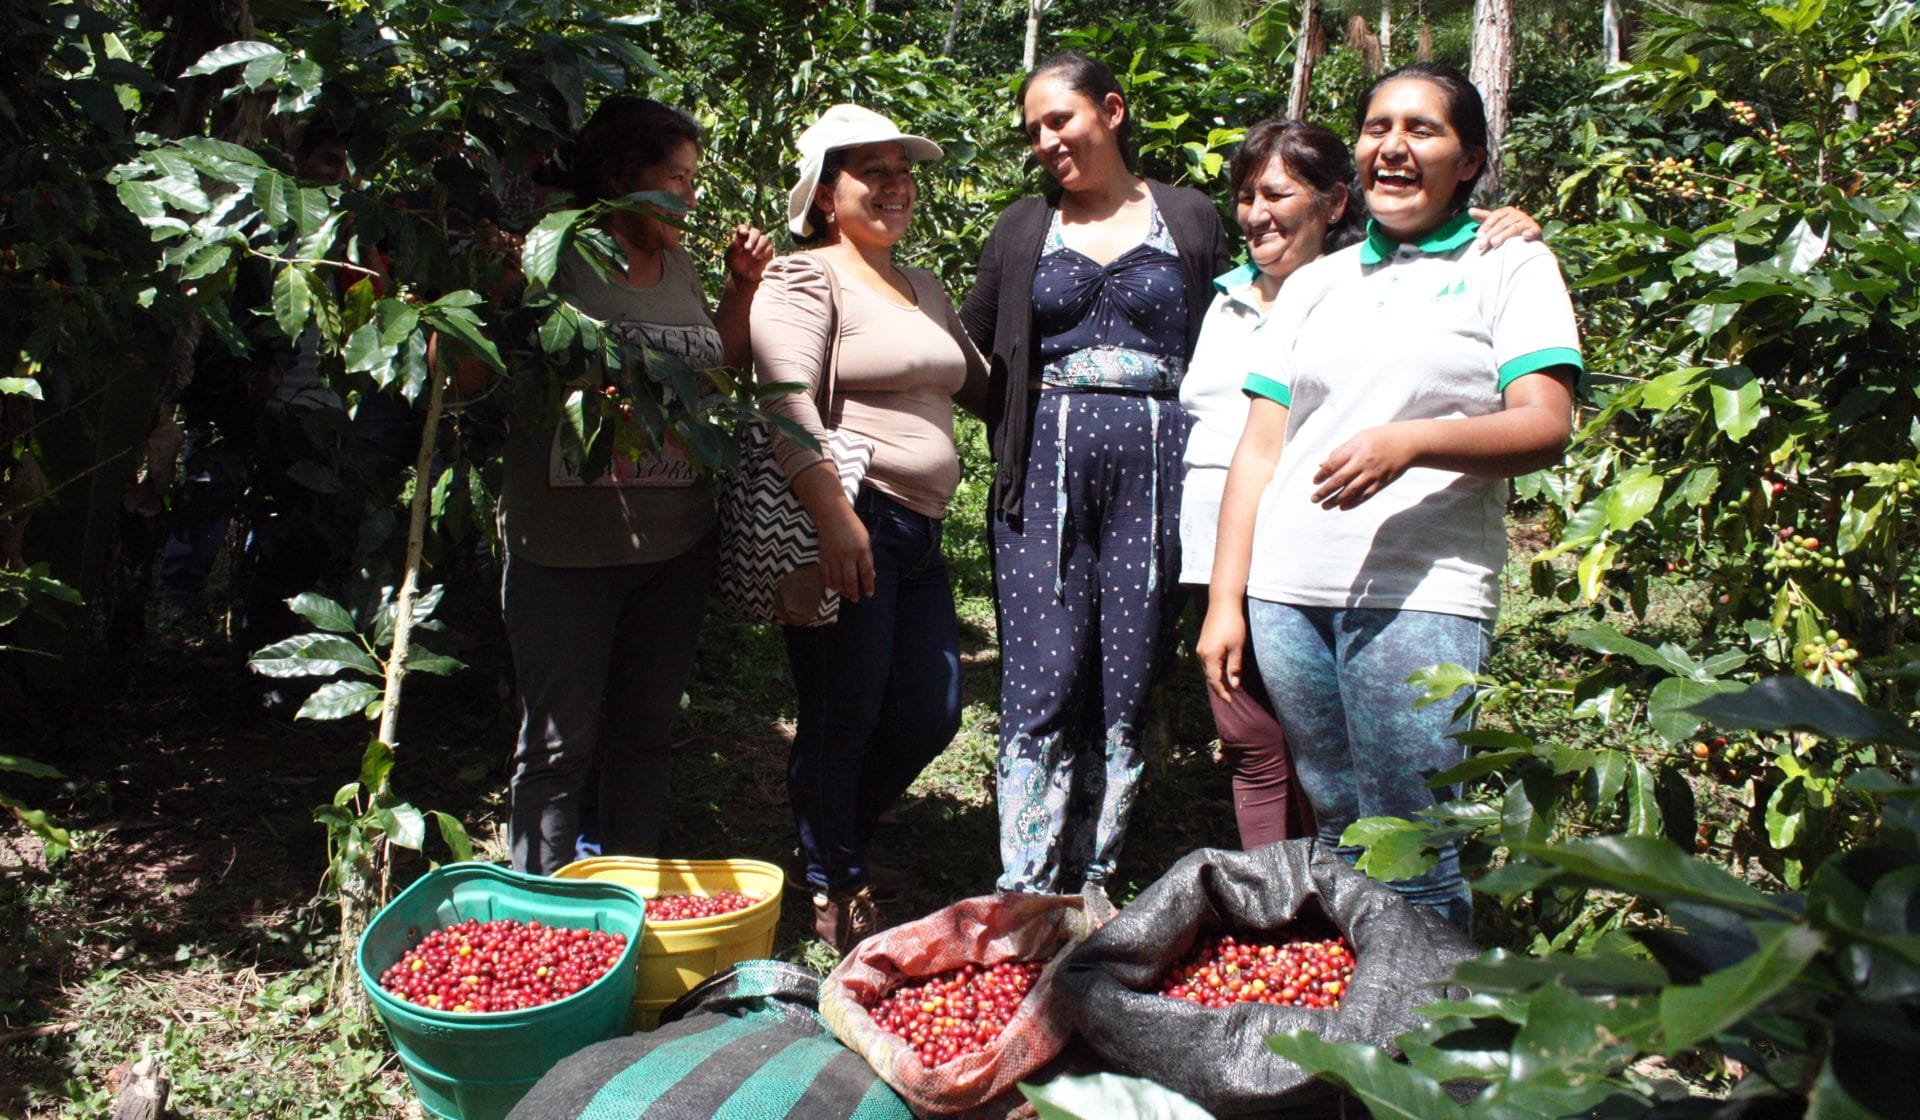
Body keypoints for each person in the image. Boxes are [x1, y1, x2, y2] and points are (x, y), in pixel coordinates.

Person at [1198, 63, 1580, 929]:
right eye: (1377, 129)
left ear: (1471, 158)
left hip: (1421, 591)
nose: (1393, 148)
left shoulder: (1507, 263)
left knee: (1414, 841)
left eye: (1423, 130)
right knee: (1337, 830)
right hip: (1288, 595)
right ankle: (1354, 1042)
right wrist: (1227, 601)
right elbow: (1259, 450)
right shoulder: (1315, 284)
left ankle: (1431, 1051)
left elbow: (1545, 422)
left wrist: (1413, 441)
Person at [960, 52, 1234, 895]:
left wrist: (1484, 226)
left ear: (1111, 111)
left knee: (1127, 668)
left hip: (1157, 474)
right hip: (1042, 470)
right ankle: (1027, 876)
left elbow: (1271, 293)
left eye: (1061, 120)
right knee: (1043, 661)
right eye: (1035, 130)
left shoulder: (1188, 218)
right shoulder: (1021, 229)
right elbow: (968, 352)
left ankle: (1093, 872)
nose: (1046, 141)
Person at [501, 97, 773, 876]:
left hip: (673, 546)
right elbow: (487, 370)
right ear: (622, 178)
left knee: (645, 734)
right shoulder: (556, 258)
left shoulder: (679, 261)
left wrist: (741, 287)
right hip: (566, 553)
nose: (689, 196)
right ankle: (543, 914)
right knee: (558, 746)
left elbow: (713, 364)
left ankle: (628, 902)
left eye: (694, 180)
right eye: (675, 179)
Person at [751, 104, 989, 953]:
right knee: (844, 709)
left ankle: (832, 832)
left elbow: (979, 380)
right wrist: (831, 514)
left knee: (931, 712)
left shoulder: (919, 284)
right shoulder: (804, 277)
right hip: (858, 516)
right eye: (871, 172)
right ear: (824, 196)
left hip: (920, 529)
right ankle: (833, 882)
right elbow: (781, 398)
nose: (895, 186)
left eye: (903, 170)